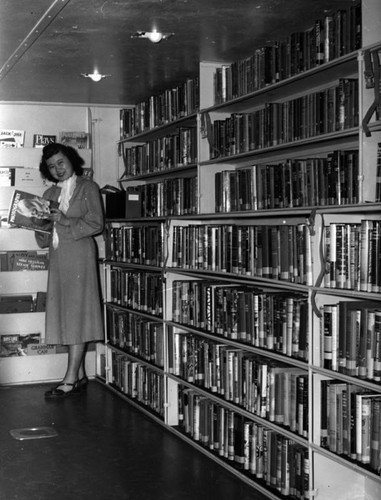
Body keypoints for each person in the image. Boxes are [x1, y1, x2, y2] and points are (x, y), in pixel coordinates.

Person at [35, 143, 104, 398]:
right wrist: (35, 222)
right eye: (52, 166)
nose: (57, 169)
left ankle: (71, 378)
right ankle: (81, 374)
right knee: (66, 315)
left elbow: (97, 223)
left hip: (79, 257)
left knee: (76, 316)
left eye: (61, 162)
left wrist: (63, 220)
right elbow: (43, 237)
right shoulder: (48, 193)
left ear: (72, 160)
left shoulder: (88, 187)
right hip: (58, 258)